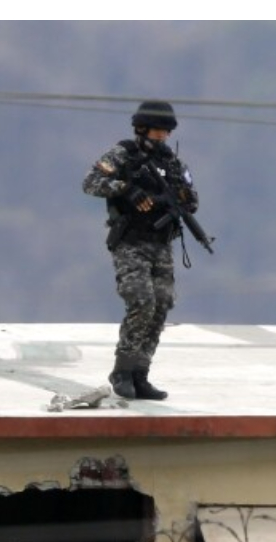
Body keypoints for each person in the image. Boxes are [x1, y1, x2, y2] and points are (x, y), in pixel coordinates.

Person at [81, 99, 201, 401]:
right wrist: (126, 189)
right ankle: (122, 371)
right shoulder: (123, 155)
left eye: (166, 131)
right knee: (142, 301)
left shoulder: (173, 164)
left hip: (161, 244)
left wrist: (177, 199)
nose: (161, 137)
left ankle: (140, 373)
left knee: (161, 305)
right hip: (131, 242)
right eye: (157, 130)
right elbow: (91, 182)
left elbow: (192, 201)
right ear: (141, 128)